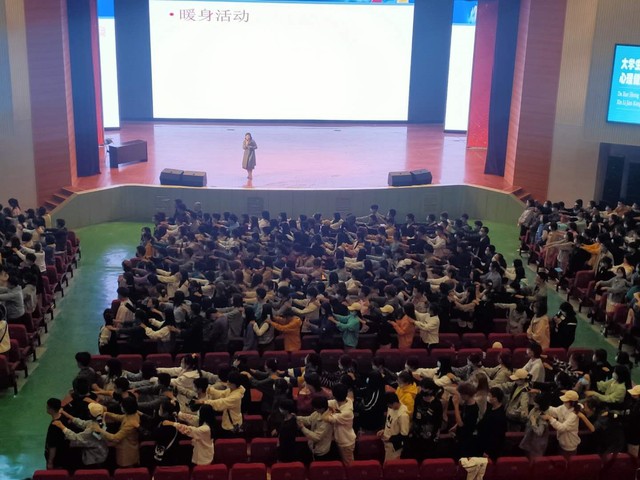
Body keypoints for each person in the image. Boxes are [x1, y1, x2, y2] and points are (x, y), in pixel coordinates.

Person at [55, 402, 109, 469]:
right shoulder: (100, 421)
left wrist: (62, 426)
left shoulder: (91, 430)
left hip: (94, 459)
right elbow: (83, 423)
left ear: (90, 415)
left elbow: (75, 437)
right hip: (102, 452)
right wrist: (66, 414)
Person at [94, 396, 141, 468]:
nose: (121, 407)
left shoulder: (130, 423)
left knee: (127, 471)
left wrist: (100, 430)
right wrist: (107, 413)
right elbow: (119, 417)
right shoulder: (133, 414)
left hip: (126, 451)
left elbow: (115, 438)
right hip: (129, 446)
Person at [405, 378, 443, 461]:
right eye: (421, 387)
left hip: (429, 434)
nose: (421, 389)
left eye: (424, 388)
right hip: (416, 432)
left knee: (427, 455)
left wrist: (436, 435)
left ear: (431, 390)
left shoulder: (437, 404)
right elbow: (415, 413)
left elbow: (438, 421)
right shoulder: (418, 397)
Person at [323, 383, 357, 465]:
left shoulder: (347, 412)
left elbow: (326, 418)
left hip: (346, 442)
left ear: (334, 395)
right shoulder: (344, 400)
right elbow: (326, 403)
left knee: (349, 464)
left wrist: (329, 411)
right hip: (339, 439)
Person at [542, 390, 581, 458]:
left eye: (566, 401)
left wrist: (550, 418)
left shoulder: (574, 415)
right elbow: (555, 411)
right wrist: (543, 406)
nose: (564, 402)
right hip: (561, 442)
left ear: (572, 403)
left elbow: (562, 428)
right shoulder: (563, 407)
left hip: (570, 446)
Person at [297, 396, 335, 461]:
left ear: (322, 408)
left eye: (315, 408)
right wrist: (296, 418)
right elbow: (309, 419)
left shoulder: (328, 420)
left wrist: (302, 428)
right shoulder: (317, 413)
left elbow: (317, 437)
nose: (314, 409)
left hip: (321, 450)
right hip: (313, 446)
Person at [378, 392, 410, 462]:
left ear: (395, 403)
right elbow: (389, 422)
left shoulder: (403, 415)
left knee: (392, 466)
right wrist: (384, 430)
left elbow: (404, 434)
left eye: (389, 405)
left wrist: (390, 439)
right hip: (387, 443)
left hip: (395, 447)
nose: (388, 407)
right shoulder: (391, 408)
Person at [477, 387, 507, 461]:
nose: (488, 397)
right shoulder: (490, 407)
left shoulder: (500, 415)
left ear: (495, 399)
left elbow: (496, 436)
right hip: (482, 440)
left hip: (491, 448)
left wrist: (488, 451)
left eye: (490, 396)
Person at [519, 393, 551, 460]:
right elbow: (529, 418)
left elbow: (539, 432)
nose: (534, 403)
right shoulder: (534, 409)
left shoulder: (543, 416)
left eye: (536, 403)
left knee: (534, 461)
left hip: (537, 445)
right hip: (529, 439)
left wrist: (533, 423)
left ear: (541, 404)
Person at [44, 398, 71, 470]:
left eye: (48, 407)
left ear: (51, 409)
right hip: (64, 453)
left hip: (57, 459)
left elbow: (53, 446)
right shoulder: (63, 418)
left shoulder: (54, 426)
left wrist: (50, 462)